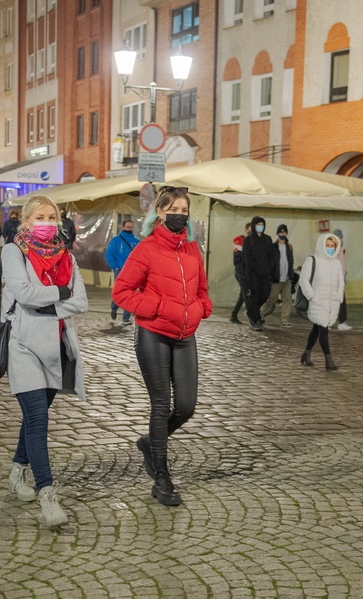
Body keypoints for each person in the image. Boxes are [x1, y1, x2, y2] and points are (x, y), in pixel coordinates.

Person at [112, 186, 212, 507]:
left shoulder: (192, 249)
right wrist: (157, 307)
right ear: (160, 212)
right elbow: (122, 292)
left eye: (184, 210)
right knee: (160, 404)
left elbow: (202, 289)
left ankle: (149, 442)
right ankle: (162, 477)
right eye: (174, 210)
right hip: (153, 334)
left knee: (186, 406)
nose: (180, 215)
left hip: (185, 336)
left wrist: (200, 309)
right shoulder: (146, 249)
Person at [2, 195, 88, 528]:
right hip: (23, 345)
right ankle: (47, 494)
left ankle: (16, 471)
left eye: (52, 216)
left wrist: (48, 304)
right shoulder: (14, 252)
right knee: (37, 417)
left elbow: (80, 301)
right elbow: (23, 294)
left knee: (35, 416)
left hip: (57, 347)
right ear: (26, 221)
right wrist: (60, 294)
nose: (47, 222)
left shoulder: (66, 257)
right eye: (40, 216)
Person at [299, 233, 345, 371]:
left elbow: (341, 282)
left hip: (331, 303)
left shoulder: (336, 263)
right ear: (321, 245)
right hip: (318, 302)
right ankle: (329, 360)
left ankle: (306, 354)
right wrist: (312, 297)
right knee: (323, 330)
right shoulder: (312, 260)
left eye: (332, 246)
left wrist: (339, 296)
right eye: (327, 245)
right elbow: (303, 280)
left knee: (317, 329)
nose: (330, 248)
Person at [242, 216, 276, 331]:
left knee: (265, 294)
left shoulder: (267, 239)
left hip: (266, 274)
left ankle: (251, 312)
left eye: (262, 225)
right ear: (253, 226)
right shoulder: (248, 240)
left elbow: (272, 256)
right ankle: (255, 320)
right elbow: (247, 258)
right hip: (253, 274)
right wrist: (254, 270)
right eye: (258, 225)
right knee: (255, 296)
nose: (260, 227)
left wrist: (269, 268)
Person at [104, 219, 140, 324]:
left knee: (130, 293)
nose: (129, 229)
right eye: (127, 227)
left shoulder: (136, 242)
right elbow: (109, 254)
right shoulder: (116, 240)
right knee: (118, 292)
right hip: (119, 270)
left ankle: (126, 318)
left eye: (131, 227)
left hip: (131, 272)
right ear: (123, 227)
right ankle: (114, 307)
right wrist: (115, 267)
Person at [261, 223, 295, 327]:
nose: (282, 234)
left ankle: (284, 319)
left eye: (284, 232)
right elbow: (269, 262)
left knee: (287, 299)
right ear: (277, 233)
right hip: (276, 278)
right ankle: (258, 313)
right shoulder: (273, 247)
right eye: (281, 232)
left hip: (287, 278)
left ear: (287, 233)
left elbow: (291, 261)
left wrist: (291, 274)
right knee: (272, 299)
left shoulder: (289, 247)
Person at [229, 222, 251, 324]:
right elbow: (237, 260)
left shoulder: (252, 242)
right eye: (250, 230)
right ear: (246, 230)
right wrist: (243, 272)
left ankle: (233, 315)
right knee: (246, 294)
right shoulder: (239, 243)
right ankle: (252, 316)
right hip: (241, 274)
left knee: (243, 295)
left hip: (247, 273)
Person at [333, 229, 353, 331]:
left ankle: (338, 322)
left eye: (341, 238)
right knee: (339, 301)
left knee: (339, 301)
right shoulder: (332, 249)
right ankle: (340, 322)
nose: (340, 239)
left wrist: (344, 275)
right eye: (339, 237)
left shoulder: (341, 249)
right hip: (334, 279)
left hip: (339, 278)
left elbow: (342, 264)